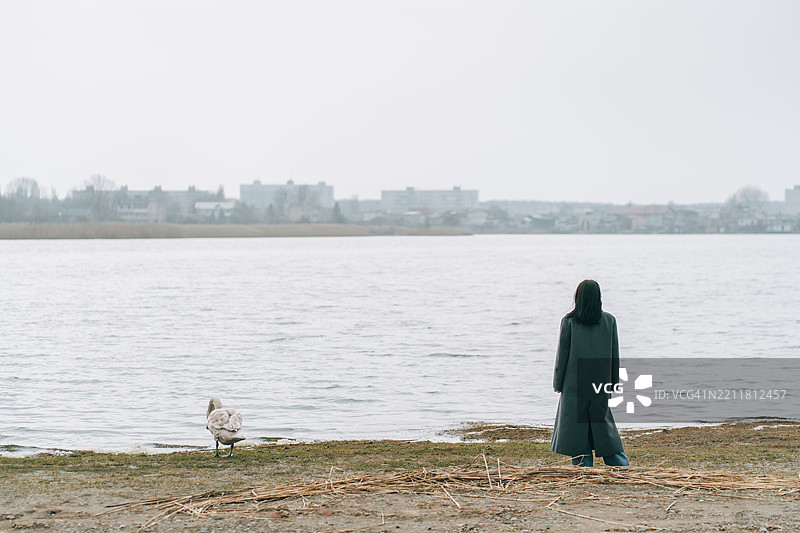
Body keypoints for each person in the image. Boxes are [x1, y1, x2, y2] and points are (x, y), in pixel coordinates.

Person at [550, 279, 629, 467]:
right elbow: (613, 354)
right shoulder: (609, 320)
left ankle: (584, 465)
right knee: (602, 424)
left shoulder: (568, 321)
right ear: (598, 298)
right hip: (600, 382)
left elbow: (562, 355)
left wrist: (557, 383)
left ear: (578, 298)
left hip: (573, 383)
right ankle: (619, 461)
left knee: (576, 428)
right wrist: (613, 382)